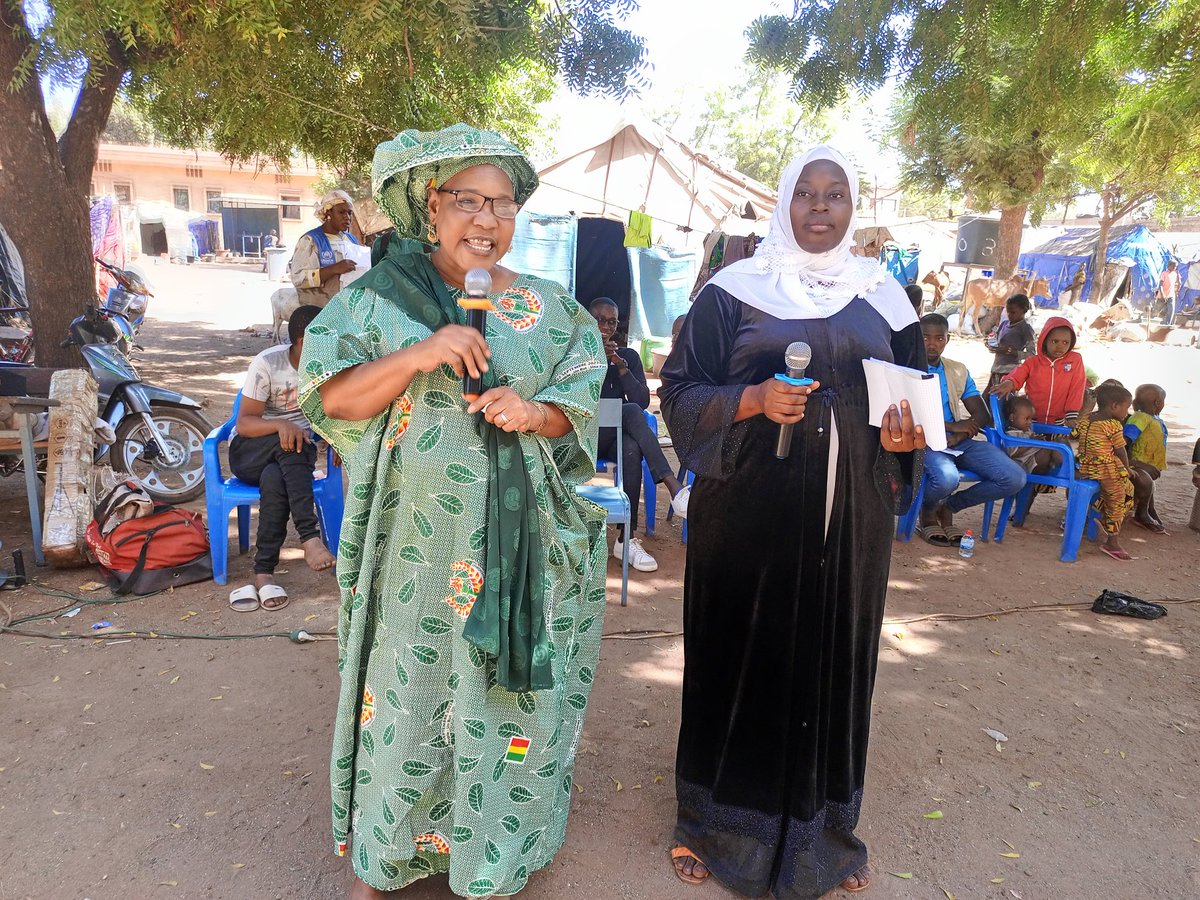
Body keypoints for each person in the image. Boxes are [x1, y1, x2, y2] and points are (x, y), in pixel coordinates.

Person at [296, 124, 608, 899]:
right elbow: (329, 398)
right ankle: (394, 849)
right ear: (431, 206)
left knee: (504, 707)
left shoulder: (552, 307)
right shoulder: (375, 302)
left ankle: (491, 855)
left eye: (503, 204)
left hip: (523, 550)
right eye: (468, 200)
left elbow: (579, 399)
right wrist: (417, 354)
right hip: (415, 556)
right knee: (406, 698)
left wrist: (536, 415)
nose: (486, 220)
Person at [659, 145, 926, 898]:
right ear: (783, 203)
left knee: (837, 664)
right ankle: (709, 829)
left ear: (853, 207)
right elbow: (678, 393)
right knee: (740, 663)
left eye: (834, 194)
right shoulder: (732, 291)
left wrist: (907, 434)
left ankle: (825, 836)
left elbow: (916, 390)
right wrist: (749, 400)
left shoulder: (887, 296)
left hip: (853, 522)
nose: (818, 207)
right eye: (804, 193)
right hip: (747, 520)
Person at [227, 304, 335, 612]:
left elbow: (336, 410)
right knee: (291, 442)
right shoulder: (268, 363)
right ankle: (309, 538)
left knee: (276, 476)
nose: (330, 344)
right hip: (250, 452)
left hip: (290, 461)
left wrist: (337, 440)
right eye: (323, 337)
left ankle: (263, 573)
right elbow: (244, 423)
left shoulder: (329, 365)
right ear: (302, 340)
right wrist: (279, 424)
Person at [589, 296, 687, 572]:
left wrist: (619, 365)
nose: (606, 327)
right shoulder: (578, 353)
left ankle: (626, 538)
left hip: (610, 441)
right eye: (600, 320)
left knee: (631, 448)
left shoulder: (629, 357)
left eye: (612, 322)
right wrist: (597, 359)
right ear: (588, 319)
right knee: (630, 412)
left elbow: (643, 400)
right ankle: (672, 486)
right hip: (583, 437)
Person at [916, 314, 1027, 546]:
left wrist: (959, 434)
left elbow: (981, 414)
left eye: (939, 338)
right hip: (923, 440)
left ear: (947, 340)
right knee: (947, 479)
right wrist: (950, 425)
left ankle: (949, 507)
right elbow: (901, 414)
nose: (932, 343)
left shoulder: (957, 370)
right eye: (925, 337)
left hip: (958, 441)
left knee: (1014, 477)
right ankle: (927, 512)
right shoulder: (905, 368)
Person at [1072, 382, 1135, 560]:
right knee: (1119, 497)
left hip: (1085, 466)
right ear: (1114, 406)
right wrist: (1128, 468)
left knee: (1127, 489)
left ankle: (1101, 511)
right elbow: (1120, 449)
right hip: (1105, 469)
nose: (1126, 413)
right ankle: (1111, 542)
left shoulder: (1086, 420)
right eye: (1126, 408)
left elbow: (1073, 435)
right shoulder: (1113, 425)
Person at [992, 316, 1086, 428]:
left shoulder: (1075, 360)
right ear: (1044, 340)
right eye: (1055, 341)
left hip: (1058, 423)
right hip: (1032, 421)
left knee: (1059, 444)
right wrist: (1009, 382)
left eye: (1065, 342)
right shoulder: (1033, 362)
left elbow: (1077, 386)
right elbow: (1019, 374)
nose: (1060, 346)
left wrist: (1072, 414)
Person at [288, 190, 359, 306]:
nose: (347, 217)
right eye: (341, 212)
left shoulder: (351, 240)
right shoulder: (310, 241)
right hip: (319, 312)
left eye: (349, 213)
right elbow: (298, 279)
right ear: (328, 213)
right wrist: (334, 269)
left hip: (347, 310)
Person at [1124, 383, 1168, 533]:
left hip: (1146, 464)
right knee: (1145, 482)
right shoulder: (1140, 418)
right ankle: (1141, 514)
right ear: (1157, 403)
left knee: (1149, 486)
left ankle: (1149, 509)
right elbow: (1125, 442)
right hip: (1136, 463)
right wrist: (1134, 463)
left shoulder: (1152, 418)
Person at [986, 293, 1035, 388]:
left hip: (1011, 372)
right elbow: (997, 342)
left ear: (1024, 310)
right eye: (1008, 312)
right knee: (988, 398)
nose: (1009, 315)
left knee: (1005, 400)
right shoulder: (1004, 324)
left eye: (1013, 312)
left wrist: (1011, 352)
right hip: (996, 368)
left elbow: (1032, 354)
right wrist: (991, 345)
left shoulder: (1025, 329)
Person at [1002, 395, 1041, 473]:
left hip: (1033, 456)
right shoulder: (1011, 434)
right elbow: (1013, 453)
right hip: (1028, 462)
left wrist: (1036, 438)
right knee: (1053, 451)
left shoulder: (1025, 429)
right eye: (1026, 419)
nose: (1030, 422)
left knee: (1058, 446)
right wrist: (1031, 442)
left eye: (1031, 419)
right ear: (1012, 417)